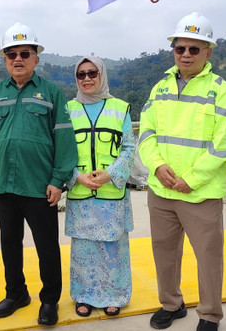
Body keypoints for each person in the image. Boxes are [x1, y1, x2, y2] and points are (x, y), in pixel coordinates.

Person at [139, 12, 226, 331]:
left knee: (208, 258)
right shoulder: (161, 88)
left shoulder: (221, 91)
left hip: (200, 194)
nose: (185, 54)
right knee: (164, 254)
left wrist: (191, 179)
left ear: (208, 52)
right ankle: (172, 303)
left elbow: (222, 144)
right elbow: (147, 134)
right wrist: (157, 165)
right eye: (180, 48)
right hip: (162, 191)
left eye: (194, 49)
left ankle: (210, 314)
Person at [0, 22, 77, 326]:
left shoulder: (50, 93)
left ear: (36, 58)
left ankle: (49, 300)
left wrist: (58, 180)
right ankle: (17, 293)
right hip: (5, 185)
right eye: (11, 54)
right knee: (10, 243)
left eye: (24, 53)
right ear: (4, 59)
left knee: (47, 246)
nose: (17, 59)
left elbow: (63, 138)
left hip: (39, 186)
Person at [64, 56, 135, 317]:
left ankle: (114, 295)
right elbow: (61, 151)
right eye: (81, 74)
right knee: (84, 249)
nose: (87, 79)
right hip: (81, 192)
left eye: (92, 73)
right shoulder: (67, 109)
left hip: (110, 193)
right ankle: (83, 295)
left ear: (102, 75)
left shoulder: (120, 108)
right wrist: (76, 177)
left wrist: (111, 174)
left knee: (112, 248)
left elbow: (128, 147)